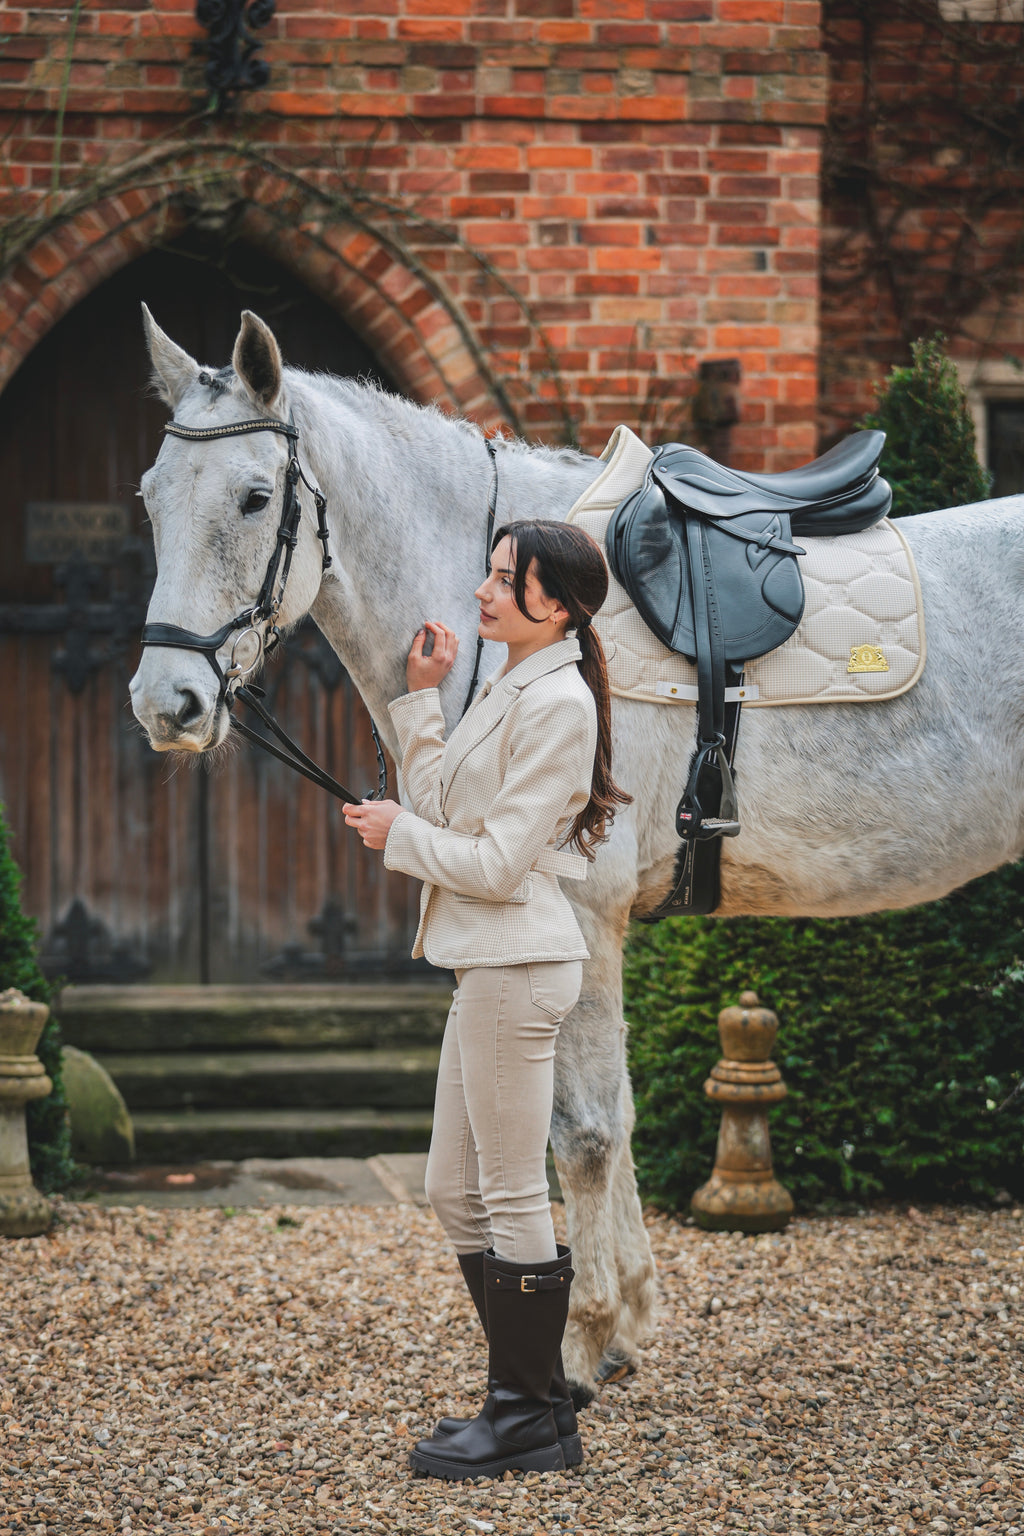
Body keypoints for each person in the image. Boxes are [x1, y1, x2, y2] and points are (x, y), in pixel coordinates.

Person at [343, 518, 630, 1482]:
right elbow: (446, 810)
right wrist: (422, 701)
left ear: (558, 606)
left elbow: (499, 864)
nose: (485, 590)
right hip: (487, 965)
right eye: (492, 572)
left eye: (508, 579)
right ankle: (539, 1400)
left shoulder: (559, 706)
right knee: (451, 1188)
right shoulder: (510, 685)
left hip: (518, 964)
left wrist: (397, 837)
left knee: (507, 1191)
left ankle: (520, 1418)